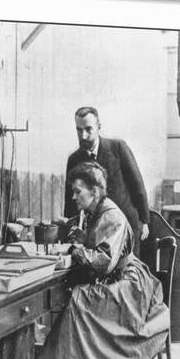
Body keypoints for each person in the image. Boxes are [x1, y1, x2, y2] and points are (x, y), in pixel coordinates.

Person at [16, 162, 170, 359]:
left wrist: (77, 251)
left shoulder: (110, 215)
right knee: (79, 298)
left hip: (129, 285)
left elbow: (103, 262)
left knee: (79, 301)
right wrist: (81, 239)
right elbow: (100, 248)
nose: (74, 197)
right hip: (120, 279)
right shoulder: (97, 212)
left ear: (95, 191)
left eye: (78, 192)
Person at [64, 106, 149, 256]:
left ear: (99, 128)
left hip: (127, 223)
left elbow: (137, 184)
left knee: (124, 269)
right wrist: (69, 228)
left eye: (88, 129)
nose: (83, 135)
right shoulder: (74, 159)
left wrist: (145, 221)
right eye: (79, 130)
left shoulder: (118, 148)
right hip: (97, 228)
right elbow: (70, 199)